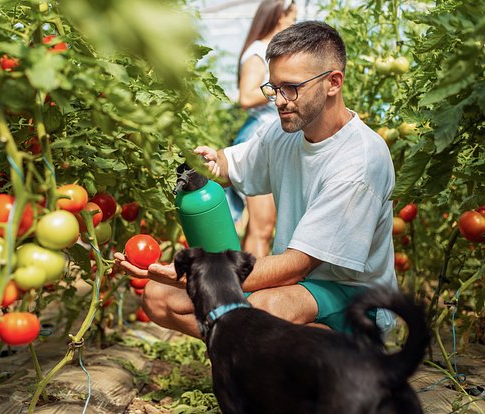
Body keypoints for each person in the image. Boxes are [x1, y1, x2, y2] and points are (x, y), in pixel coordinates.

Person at [115, 21, 397, 338]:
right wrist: (195, 159)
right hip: (298, 287)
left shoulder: (358, 162)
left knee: (261, 310)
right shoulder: (282, 133)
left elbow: (296, 265)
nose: (278, 100)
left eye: (291, 88)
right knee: (158, 296)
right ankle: (252, 354)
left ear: (333, 82)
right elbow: (228, 166)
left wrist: (195, 275)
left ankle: (344, 359)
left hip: (358, 300)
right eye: (273, 88)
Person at [227, 0, 297, 258]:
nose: (293, 24)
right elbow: (245, 97)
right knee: (262, 226)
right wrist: (283, 86)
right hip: (258, 137)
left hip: (273, 138)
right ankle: (251, 293)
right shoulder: (258, 51)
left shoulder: (271, 52)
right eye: (292, 18)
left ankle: (246, 288)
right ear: (279, 17)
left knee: (264, 226)